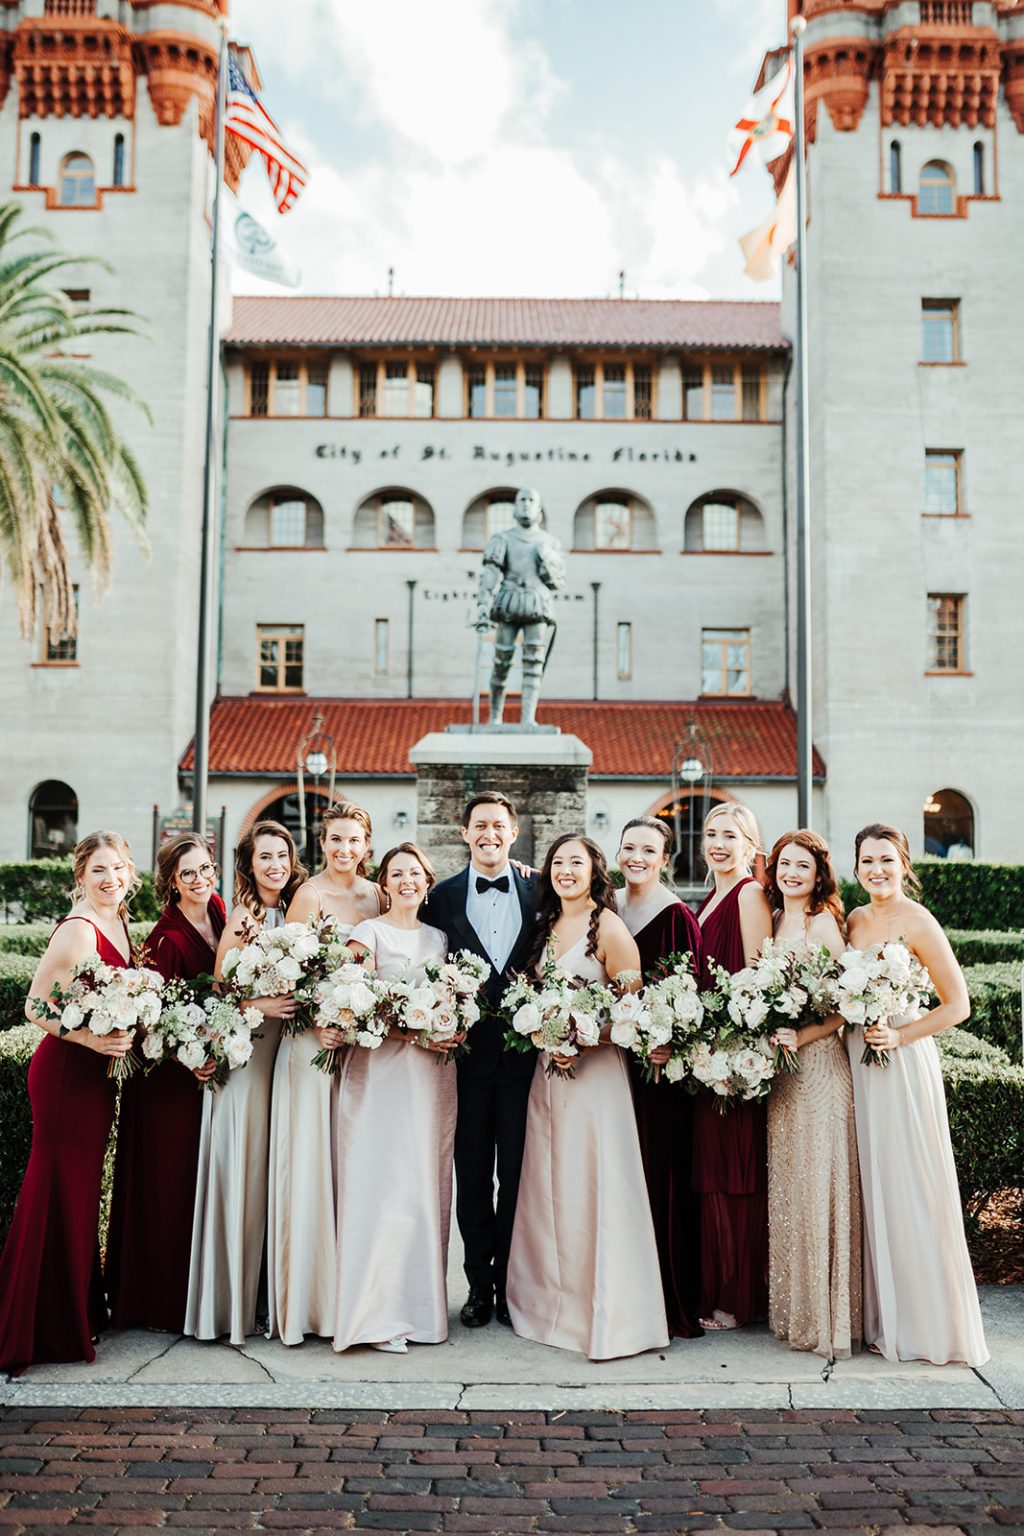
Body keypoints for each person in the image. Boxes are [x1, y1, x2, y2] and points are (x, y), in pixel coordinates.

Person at [506, 835, 669, 1360]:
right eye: (557, 863)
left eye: (576, 862)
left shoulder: (610, 928)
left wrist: (581, 1038)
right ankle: (551, 1306)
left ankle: (607, 1314)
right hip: (548, 1079)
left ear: (594, 871)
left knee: (593, 1191)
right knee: (550, 1192)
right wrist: (544, 1037)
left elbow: (634, 1016)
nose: (565, 871)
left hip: (595, 1082)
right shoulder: (544, 927)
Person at [846, 822, 987, 1366]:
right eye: (867, 862)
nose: (876, 870)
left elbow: (958, 1004)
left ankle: (926, 1323)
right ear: (856, 868)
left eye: (886, 860)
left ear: (905, 864)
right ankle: (883, 1317)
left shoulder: (919, 922)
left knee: (909, 1184)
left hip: (901, 1062)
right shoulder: (856, 919)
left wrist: (901, 1034)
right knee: (873, 1184)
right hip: (860, 1059)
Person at [0, 832, 138, 1375]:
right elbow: (36, 1005)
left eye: (119, 868)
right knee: (54, 1190)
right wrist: (92, 1041)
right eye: (99, 870)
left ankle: (73, 1314)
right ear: (80, 876)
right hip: (64, 1076)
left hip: (97, 1079)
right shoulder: (79, 930)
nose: (111, 879)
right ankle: (32, 1328)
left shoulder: (120, 923)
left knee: (79, 1196)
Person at [184, 820, 304, 1345]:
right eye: (264, 858)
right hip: (250, 1056)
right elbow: (220, 996)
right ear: (249, 866)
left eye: (281, 855)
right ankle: (235, 1305)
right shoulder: (241, 918)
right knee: (247, 1170)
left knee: (278, 1174)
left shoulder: (301, 907)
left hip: (291, 1051)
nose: (274, 865)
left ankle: (274, 1295)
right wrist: (260, 1004)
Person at [332, 843, 456, 1355]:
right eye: (396, 873)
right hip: (380, 1074)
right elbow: (350, 1001)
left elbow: (451, 1000)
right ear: (383, 883)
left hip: (431, 1078)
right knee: (382, 1186)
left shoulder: (440, 937)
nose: (406, 880)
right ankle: (377, 1313)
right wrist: (410, 1032)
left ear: (427, 882)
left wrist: (452, 1025)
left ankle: (422, 1311)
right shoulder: (368, 934)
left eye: (414, 873)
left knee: (424, 1186)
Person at [268, 802, 381, 1346]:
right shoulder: (306, 896)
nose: (344, 849)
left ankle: (354, 1296)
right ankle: (308, 1305)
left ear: (366, 844)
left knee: (354, 1169)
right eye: (335, 839)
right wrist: (320, 1025)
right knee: (312, 1167)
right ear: (322, 841)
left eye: (354, 840)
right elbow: (290, 971)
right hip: (310, 1045)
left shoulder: (377, 895)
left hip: (358, 1049)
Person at [425, 792, 538, 1329]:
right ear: (464, 834)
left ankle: (512, 1286)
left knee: (517, 1179)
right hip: (464, 1066)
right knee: (471, 1181)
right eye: (479, 826)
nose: (489, 833)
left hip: (525, 1066)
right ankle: (476, 1287)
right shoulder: (439, 898)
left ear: (513, 833)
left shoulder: (541, 891)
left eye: (498, 825)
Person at [106, 834, 226, 1333]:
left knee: (200, 1185)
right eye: (188, 874)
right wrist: (190, 1056)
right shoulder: (164, 940)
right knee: (169, 1184)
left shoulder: (220, 912)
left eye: (205, 870)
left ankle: (202, 1291)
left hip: (206, 1073)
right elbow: (151, 1020)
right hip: (167, 1082)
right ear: (171, 883)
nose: (200, 881)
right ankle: (161, 1300)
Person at [764, 829, 862, 1360]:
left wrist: (799, 1036)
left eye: (802, 866)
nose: (792, 873)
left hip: (821, 1068)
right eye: (784, 864)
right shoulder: (775, 919)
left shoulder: (825, 923)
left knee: (821, 1185)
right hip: (783, 1076)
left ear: (818, 873)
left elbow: (845, 1006)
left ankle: (829, 1319)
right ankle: (795, 1312)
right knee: (793, 1187)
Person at [615, 815, 704, 1339]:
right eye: (629, 848)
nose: (637, 857)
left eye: (648, 850)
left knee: (658, 1178)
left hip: (658, 1070)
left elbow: (688, 997)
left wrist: (664, 1041)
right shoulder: (611, 907)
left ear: (665, 858)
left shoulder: (674, 917)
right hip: (611, 1064)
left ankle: (668, 1299)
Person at [692, 801, 773, 1331]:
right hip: (702, 1059)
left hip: (733, 1063)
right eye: (711, 834)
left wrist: (734, 1060)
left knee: (734, 1174)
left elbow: (759, 983)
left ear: (750, 846)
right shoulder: (707, 896)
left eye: (730, 835)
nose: (718, 843)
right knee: (710, 1177)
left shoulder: (747, 896)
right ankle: (712, 1285)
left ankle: (737, 1297)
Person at [475, 486, 566, 728]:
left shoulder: (551, 543)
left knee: (534, 663)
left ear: (539, 508)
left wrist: (547, 560)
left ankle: (528, 718)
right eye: (522, 500)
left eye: (531, 500)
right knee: (501, 661)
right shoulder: (502, 539)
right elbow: (490, 574)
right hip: (508, 602)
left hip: (538, 604)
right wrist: (483, 604)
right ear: (515, 507)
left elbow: (557, 581)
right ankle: (495, 716)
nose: (526, 504)